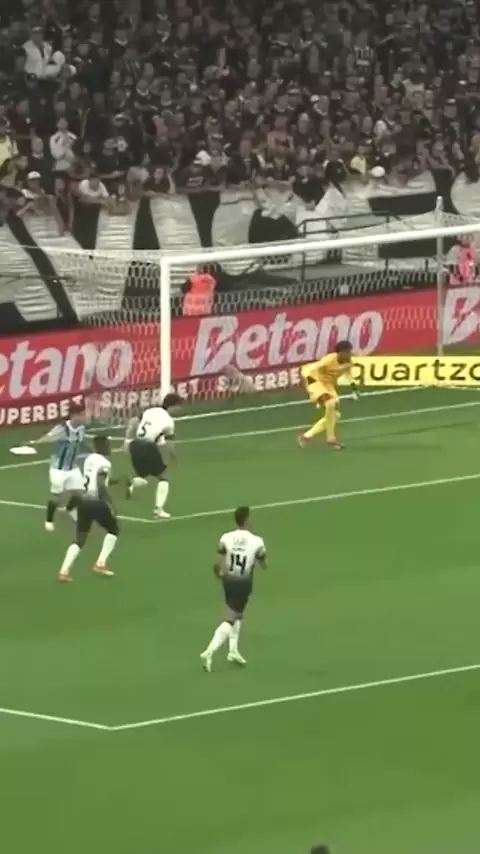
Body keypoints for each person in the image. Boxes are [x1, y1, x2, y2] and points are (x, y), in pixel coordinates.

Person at [200, 506, 267, 673]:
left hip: (228, 580)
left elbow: (217, 562)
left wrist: (220, 574)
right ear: (247, 520)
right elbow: (264, 564)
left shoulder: (226, 537)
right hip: (243, 583)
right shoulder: (256, 541)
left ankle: (233, 650)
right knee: (231, 617)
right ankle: (209, 652)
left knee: (238, 613)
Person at [58, 434, 118, 583]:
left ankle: (64, 571)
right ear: (103, 446)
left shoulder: (89, 459)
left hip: (84, 501)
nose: (110, 448)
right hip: (96, 501)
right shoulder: (105, 463)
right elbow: (100, 485)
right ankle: (100, 563)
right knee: (113, 530)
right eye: (108, 445)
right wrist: (110, 504)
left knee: (80, 538)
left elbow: (92, 479)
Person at [124, 392, 183, 519]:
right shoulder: (169, 421)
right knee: (164, 477)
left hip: (135, 445)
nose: (179, 410)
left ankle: (130, 482)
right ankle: (158, 509)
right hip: (148, 446)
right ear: (172, 406)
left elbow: (133, 421)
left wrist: (127, 440)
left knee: (143, 477)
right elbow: (169, 443)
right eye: (178, 406)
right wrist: (172, 456)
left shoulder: (150, 411)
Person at [33, 401, 87, 531]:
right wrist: (38, 442)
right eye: (82, 415)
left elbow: (80, 443)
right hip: (58, 469)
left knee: (81, 493)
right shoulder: (62, 429)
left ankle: (70, 509)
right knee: (57, 496)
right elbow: (49, 437)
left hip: (72, 467)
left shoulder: (82, 429)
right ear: (74, 415)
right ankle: (49, 520)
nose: (85, 417)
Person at [298, 341, 358, 450]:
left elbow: (348, 374)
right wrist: (309, 383)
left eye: (350, 351)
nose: (349, 354)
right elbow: (309, 370)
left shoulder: (348, 362)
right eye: (347, 352)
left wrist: (354, 387)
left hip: (329, 385)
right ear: (340, 353)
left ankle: (306, 436)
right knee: (330, 403)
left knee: (335, 415)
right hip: (315, 380)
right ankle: (331, 439)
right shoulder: (329, 359)